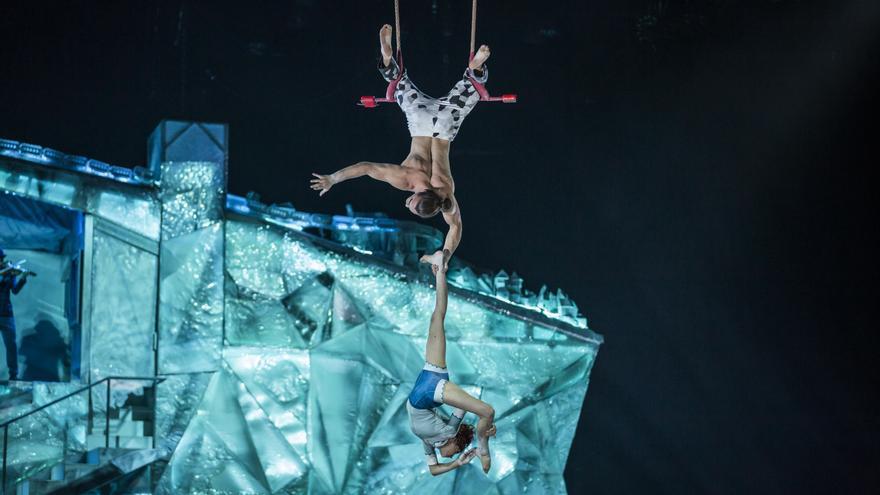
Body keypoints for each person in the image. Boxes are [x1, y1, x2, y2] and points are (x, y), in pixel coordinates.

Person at [311, 25, 493, 271]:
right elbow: (365, 167)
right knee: (396, 83)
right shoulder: (405, 180)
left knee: (471, 87)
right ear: (417, 195)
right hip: (419, 122)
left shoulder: (445, 194)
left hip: (444, 125)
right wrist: (333, 179)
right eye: (413, 205)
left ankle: (476, 69)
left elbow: (456, 228)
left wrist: (446, 255)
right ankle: (388, 65)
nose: (407, 204)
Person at [407, 249, 497, 475]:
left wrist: (456, 464)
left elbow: (433, 470)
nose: (451, 456)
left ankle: (437, 266)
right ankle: (484, 449)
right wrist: (483, 432)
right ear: (455, 444)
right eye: (455, 453)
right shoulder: (449, 432)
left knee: (437, 316)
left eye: (454, 457)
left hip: (428, 379)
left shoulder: (429, 442)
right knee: (487, 412)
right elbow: (461, 408)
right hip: (431, 389)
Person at [0, 248, 30, 381]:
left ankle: (14, 375)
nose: (2, 261)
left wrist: (22, 278)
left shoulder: (9, 273)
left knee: (11, 345)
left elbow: (15, 290)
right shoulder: (5, 272)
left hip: (6, 314)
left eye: (2, 259)